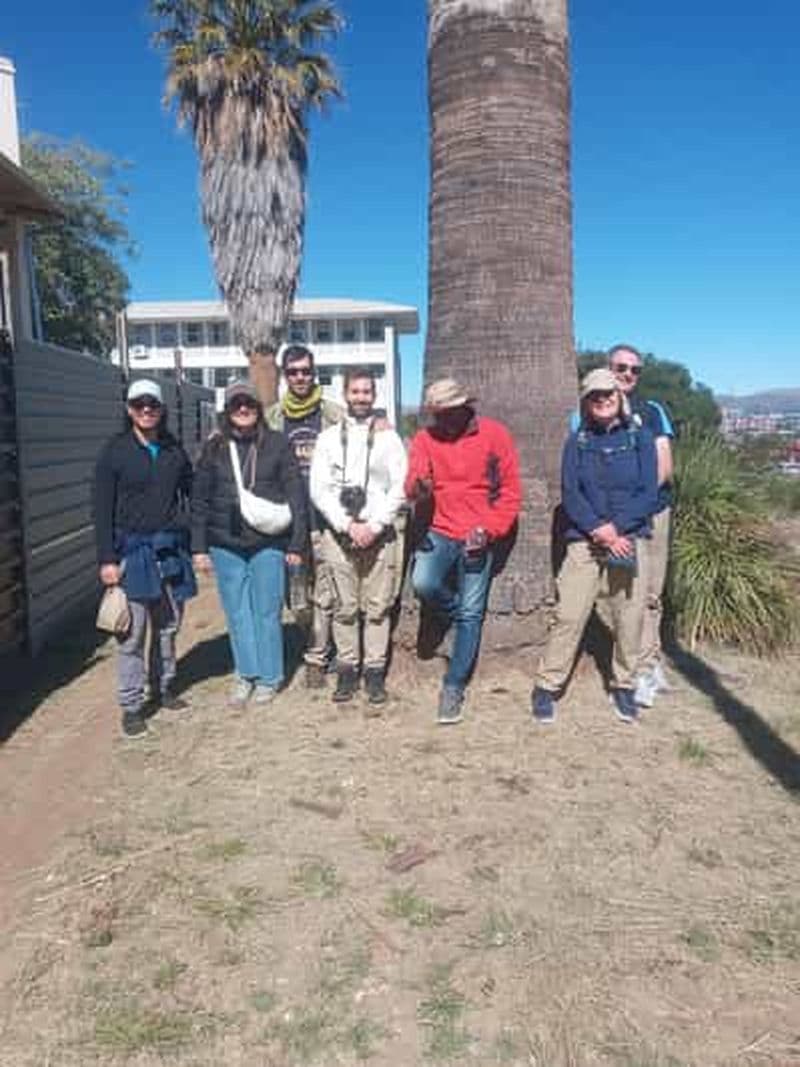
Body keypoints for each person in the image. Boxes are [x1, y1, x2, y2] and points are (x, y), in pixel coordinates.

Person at [532, 368, 658, 724]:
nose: (603, 400)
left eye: (609, 394)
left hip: (629, 539)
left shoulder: (641, 438)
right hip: (585, 541)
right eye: (595, 396)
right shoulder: (578, 442)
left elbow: (648, 493)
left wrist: (617, 530)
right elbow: (571, 494)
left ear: (619, 398)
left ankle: (624, 685)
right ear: (586, 402)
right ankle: (547, 685)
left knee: (629, 618)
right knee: (569, 615)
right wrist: (600, 530)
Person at [405, 378, 522, 725]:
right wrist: (418, 487)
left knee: (473, 612)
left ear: (464, 406)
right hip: (440, 530)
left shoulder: (494, 434)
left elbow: (511, 491)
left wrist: (490, 529)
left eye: (450, 411)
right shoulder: (426, 439)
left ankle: (454, 686)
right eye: (439, 413)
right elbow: (413, 483)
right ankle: (457, 617)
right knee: (423, 583)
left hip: (479, 533)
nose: (446, 419)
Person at [191, 380, 307, 707]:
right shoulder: (213, 448)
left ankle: (270, 677)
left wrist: (297, 544)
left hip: (268, 541)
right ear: (227, 411)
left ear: (258, 409)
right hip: (224, 542)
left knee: (267, 611)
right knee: (237, 613)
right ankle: (246, 674)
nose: (243, 409)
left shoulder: (277, 444)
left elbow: (296, 494)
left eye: (249, 403)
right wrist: (198, 548)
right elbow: (198, 501)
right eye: (236, 404)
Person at [94, 378, 195, 739]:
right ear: (129, 409)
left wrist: (188, 534)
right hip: (131, 554)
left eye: (152, 404)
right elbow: (101, 509)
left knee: (168, 626)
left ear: (162, 409)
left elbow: (192, 490)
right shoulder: (115, 452)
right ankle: (132, 705)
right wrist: (107, 559)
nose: (146, 410)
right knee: (132, 635)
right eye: (139, 404)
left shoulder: (173, 450)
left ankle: (164, 686)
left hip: (169, 551)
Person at [309, 367, 407, 708]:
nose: (361, 397)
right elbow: (318, 489)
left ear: (374, 396)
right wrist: (346, 525)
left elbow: (400, 487)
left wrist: (375, 525)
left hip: (378, 533)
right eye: (355, 392)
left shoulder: (389, 438)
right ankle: (347, 668)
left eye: (367, 392)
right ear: (345, 394)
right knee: (344, 606)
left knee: (378, 608)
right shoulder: (328, 438)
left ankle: (375, 672)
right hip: (339, 534)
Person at [265, 344, 343, 688]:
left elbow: (364, 431)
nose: (300, 377)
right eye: (293, 371)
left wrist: (380, 422)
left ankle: (317, 657)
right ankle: (311, 639)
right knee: (296, 596)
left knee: (327, 590)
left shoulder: (333, 414)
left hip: (325, 519)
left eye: (305, 371)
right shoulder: (271, 418)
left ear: (314, 373)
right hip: (287, 522)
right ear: (285, 375)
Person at [606, 344, 675, 706]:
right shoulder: (593, 409)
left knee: (651, 592)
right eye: (621, 366)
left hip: (655, 511)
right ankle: (637, 669)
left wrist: (642, 499)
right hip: (620, 518)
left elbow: (665, 466)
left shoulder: (652, 411)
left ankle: (651, 661)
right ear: (608, 367)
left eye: (635, 369)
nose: (628, 374)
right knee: (628, 594)